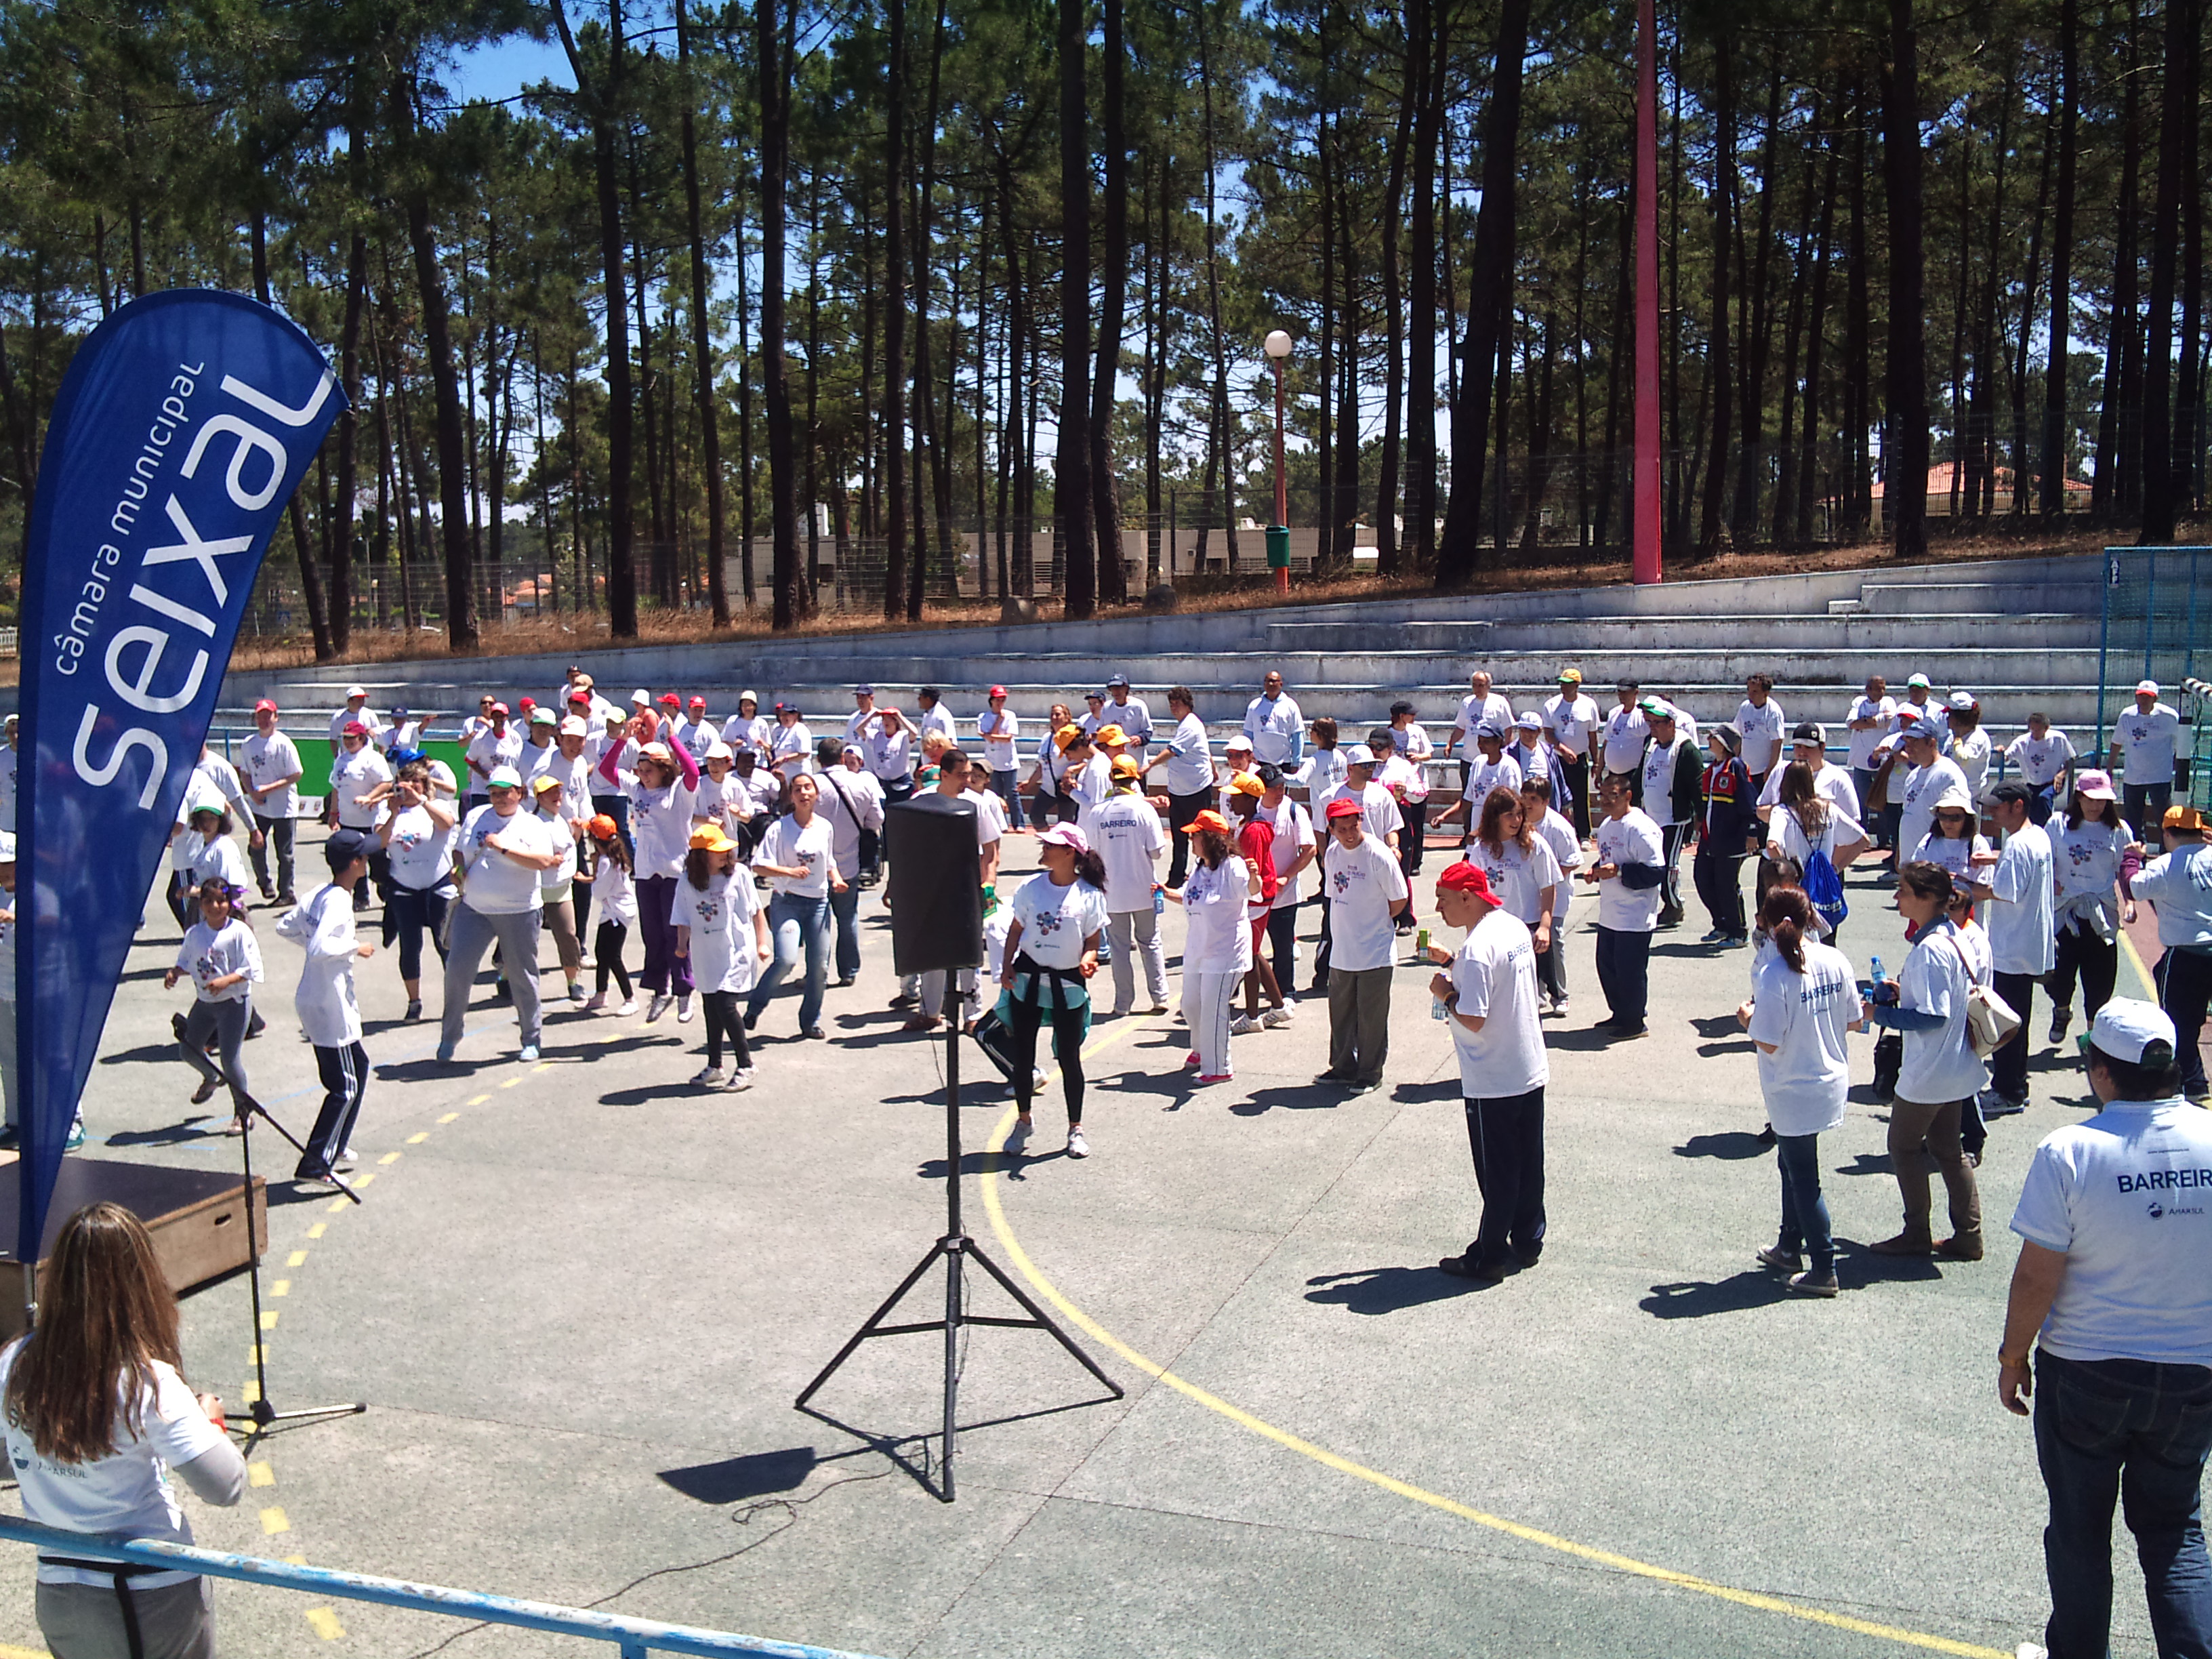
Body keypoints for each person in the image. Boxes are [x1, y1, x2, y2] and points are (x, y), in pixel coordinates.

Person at [1998, 998, 2212, 1659]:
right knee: (2176, 1531)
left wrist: (2013, 1357)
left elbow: (2038, 1277)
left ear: (2101, 1070)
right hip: (2192, 1376)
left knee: (2080, 1530)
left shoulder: (2069, 1151)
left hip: (2085, 1372)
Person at [0, 1202, 247, 1659]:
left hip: (62, 1589)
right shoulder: (145, 1381)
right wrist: (211, 1421)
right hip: (152, 1591)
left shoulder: (16, 1362)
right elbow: (225, 1485)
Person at [1740, 884, 1865, 1298]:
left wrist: (1748, 1019)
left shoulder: (1775, 974)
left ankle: (1824, 1266)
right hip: (1829, 1080)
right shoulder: (1835, 959)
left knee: (1804, 1177)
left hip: (1793, 1088)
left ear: (1774, 924)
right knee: (1792, 1167)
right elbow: (1853, 1020)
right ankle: (1789, 1246)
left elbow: (1770, 1040)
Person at [1428, 862, 1548, 1282]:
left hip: (1492, 1077)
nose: (1438, 908)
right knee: (1528, 1161)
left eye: (1443, 899)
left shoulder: (1478, 950)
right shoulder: (1512, 927)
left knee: (1497, 1171)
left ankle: (1488, 1254)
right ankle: (1529, 1238)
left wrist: (1445, 990)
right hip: (1527, 1066)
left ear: (1467, 897)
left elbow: (1473, 1017)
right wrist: (1455, 961)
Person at [1866, 861, 1988, 1259]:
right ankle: (1969, 1235)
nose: (1897, 896)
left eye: (1903, 890)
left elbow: (1931, 1017)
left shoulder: (1930, 950)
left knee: (1902, 1147)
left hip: (1929, 1071)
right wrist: (1906, 991)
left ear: (1927, 898)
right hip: (1955, 1067)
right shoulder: (1952, 936)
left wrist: (1877, 1014)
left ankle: (1917, 1231)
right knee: (1949, 1150)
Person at [437, 768, 562, 1065]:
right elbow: (460, 850)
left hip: (519, 910)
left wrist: (504, 848)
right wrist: (458, 868)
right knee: (457, 972)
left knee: (523, 977)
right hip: (475, 908)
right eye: (495, 792)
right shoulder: (476, 816)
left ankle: (531, 1038)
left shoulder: (532, 825)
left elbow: (543, 861)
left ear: (519, 793)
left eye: (506, 792)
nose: (500, 798)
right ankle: (450, 1036)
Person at [998, 824, 1110, 1158]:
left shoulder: (1089, 895)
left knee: (1070, 1057)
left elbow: (1092, 941)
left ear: (1070, 853)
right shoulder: (1031, 888)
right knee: (1023, 1055)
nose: (1045, 849)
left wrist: (1089, 960)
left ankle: (1075, 1128)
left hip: (1067, 984)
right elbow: (1016, 931)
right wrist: (1006, 966)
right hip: (1029, 979)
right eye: (1045, 843)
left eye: (1053, 845)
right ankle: (1024, 1120)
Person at [279, 828, 382, 1179]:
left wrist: (312, 939)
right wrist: (356, 947)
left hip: (321, 996)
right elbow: (320, 948)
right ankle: (315, 1163)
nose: (367, 862)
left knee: (360, 1065)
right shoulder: (338, 900)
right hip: (329, 1001)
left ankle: (335, 1145)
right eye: (364, 857)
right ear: (355, 863)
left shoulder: (319, 894)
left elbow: (286, 927)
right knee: (345, 1086)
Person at [889, 751, 1006, 1029]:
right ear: (944, 775)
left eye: (969, 774)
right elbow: (907, 850)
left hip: (968, 888)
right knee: (933, 950)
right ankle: (930, 1012)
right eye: (961, 775)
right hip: (931, 888)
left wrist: (988, 883)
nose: (968, 780)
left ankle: (972, 1014)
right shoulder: (921, 803)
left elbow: (990, 849)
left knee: (969, 953)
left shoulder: (977, 803)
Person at [597, 724, 703, 1023]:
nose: (643, 775)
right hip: (645, 872)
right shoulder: (637, 790)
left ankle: (684, 992)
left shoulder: (679, 792)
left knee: (675, 934)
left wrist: (671, 739)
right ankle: (660, 990)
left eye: (649, 769)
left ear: (664, 768)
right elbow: (607, 771)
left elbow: (693, 772)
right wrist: (622, 740)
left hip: (673, 871)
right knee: (652, 935)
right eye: (640, 769)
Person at [1973, 780, 2057, 1114]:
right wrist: (1996, 858)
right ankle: (2016, 1084)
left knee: (2005, 1023)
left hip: (2010, 948)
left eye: (1998, 806)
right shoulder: (2038, 837)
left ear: (2017, 805)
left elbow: (2004, 891)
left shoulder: (2018, 845)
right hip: (2029, 944)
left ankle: (2008, 1090)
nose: (1992, 812)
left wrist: (1963, 886)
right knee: (2017, 1019)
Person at [1315, 794, 1409, 1094]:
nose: (1348, 834)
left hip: (1374, 950)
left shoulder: (1378, 855)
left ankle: (1370, 1071)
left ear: (1361, 822)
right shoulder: (1331, 854)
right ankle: (1343, 1066)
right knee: (1341, 1012)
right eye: (1341, 830)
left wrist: (1376, 923)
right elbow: (1334, 895)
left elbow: (1399, 899)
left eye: (1352, 827)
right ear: (1331, 829)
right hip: (1342, 949)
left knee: (1371, 1016)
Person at [745, 773, 846, 1039]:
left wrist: (836, 879)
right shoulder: (779, 828)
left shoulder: (825, 827)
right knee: (786, 960)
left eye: (808, 788)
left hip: (819, 903)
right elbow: (758, 865)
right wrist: (789, 873)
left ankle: (810, 1021)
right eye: (798, 789)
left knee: (820, 967)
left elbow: (829, 862)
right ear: (791, 796)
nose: (803, 793)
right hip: (787, 900)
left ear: (816, 794)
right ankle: (755, 1007)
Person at [673, 824, 771, 1089]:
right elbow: (682, 917)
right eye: (717, 852)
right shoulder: (686, 880)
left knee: (727, 1006)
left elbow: (756, 911)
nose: (725, 855)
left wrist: (762, 943)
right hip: (706, 952)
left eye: (726, 851)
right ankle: (714, 1065)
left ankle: (746, 1065)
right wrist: (682, 946)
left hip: (737, 949)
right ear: (700, 856)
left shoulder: (739, 873)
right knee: (711, 1006)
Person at [2048, 771, 2139, 1048]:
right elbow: (2044, 857)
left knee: (2100, 979)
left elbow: (2126, 869)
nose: (2096, 806)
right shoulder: (2058, 824)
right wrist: (2051, 879)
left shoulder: (2119, 829)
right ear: (2079, 797)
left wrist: (2131, 901)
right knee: (2059, 974)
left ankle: (2093, 1036)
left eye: (2102, 801)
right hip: (2065, 910)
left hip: (2102, 911)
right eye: (2090, 799)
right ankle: (2061, 1010)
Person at [2131, 804, 2212, 1103]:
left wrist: (2131, 859)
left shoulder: (2166, 864)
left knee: (2178, 1022)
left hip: (2186, 952)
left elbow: (2135, 888)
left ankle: (2192, 1084)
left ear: (2167, 833)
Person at [165, 877, 261, 1132]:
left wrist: (225, 982)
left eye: (221, 901)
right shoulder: (195, 934)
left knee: (230, 1060)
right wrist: (175, 973)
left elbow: (251, 969)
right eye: (208, 901)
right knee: (188, 1051)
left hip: (234, 1003)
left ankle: (243, 1113)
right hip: (205, 1003)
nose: (215, 906)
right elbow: (186, 962)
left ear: (230, 904)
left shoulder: (239, 933)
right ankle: (211, 1076)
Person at [1166, 809, 1251, 1084]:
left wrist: (1256, 877)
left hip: (1225, 952)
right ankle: (1201, 1050)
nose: (1191, 841)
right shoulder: (1200, 867)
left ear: (1211, 839)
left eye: (1196, 836)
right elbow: (1190, 897)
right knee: (1191, 1005)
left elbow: (1252, 890)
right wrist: (1166, 893)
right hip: (1198, 949)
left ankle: (1220, 1067)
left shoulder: (1234, 867)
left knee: (1214, 1009)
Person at [1584, 773, 1664, 1038]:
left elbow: (1655, 872)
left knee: (1630, 970)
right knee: (1607, 966)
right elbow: (1609, 860)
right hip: (1610, 912)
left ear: (1628, 796)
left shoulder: (1641, 828)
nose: (1605, 801)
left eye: (1612, 795)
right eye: (1602, 795)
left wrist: (1618, 872)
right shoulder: (1607, 825)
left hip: (1635, 914)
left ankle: (1635, 1021)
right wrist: (1595, 871)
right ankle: (1620, 1013)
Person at [1463, 787, 1563, 998]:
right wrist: (1472, 933)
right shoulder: (1482, 850)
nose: (1516, 820)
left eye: (1519, 814)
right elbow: (1475, 895)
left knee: (1526, 995)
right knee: (1499, 993)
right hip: (1495, 930)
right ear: (1495, 817)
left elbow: (1548, 887)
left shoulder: (1534, 845)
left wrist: (1545, 927)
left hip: (1528, 927)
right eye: (1509, 815)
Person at [1093, 756, 1169, 1016]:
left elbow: (1089, 852)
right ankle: (1159, 996)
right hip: (1143, 888)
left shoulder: (1098, 811)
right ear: (1135, 779)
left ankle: (1122, 1003)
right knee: (1150, 942)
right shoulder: (1143, 809)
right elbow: (1157, 851)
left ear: (1112, 779)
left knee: (1119, 948)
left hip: (1112, 892)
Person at [1763, 760, 1872, 939]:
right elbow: (1863, 840)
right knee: (1827, 938)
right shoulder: (1828, 808)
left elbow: (1772, 845)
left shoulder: (1782, 812)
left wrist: (1786, 877)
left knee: (1797, 940)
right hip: (1823, 883)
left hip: (1799, 884)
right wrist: (1835, 869)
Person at [811, 735, 883, 987]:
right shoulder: (862, 783)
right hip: (849, 861)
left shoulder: (811, 786)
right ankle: (849, 970)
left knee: (817, 922)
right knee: (847, 917)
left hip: (815, 865)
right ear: (843, 757)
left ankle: (817, 969)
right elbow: (876, 820)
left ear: (818, 760)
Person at [1225, 773, 1290, 1031]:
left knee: (1249, 956)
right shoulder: (1248, 824)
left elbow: (1248, 868)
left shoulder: (1255, 829)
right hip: (1257, 897)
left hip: (1256, 899)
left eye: (1236, 796)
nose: (1230, 800)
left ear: (1250, 799)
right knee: (1253, 952)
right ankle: (1278, 1005)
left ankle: (1252, 1016)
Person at [1258, 764, 1317, 1000]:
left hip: (1284, 895)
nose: (1279, 791)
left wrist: (1287, 876)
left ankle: (1285, 994)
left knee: (1283, 948)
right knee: (1246, 946)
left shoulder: (1295, 812)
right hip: (1254, 894)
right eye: (1274, 788)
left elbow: (1309, 849)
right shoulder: (1250, 810)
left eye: (1282, 786)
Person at [1639, 701, 1700, 926]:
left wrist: (1699, 820)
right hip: (1651, 816)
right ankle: (1657, 902)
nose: (1652, 727)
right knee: (1652, 863)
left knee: (1669, 864)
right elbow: (1641, 775)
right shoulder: (1651, 745)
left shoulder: (1685, 749)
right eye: (1650, 723)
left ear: (1671, 724)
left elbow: (1697, 787)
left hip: (1674, 818)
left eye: (1657, 723)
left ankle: (1674, 905)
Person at [1695, 724, 1757, 945]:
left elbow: (1749, 802)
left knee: (1726, 885)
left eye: (1714, 738)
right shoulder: (1711, 770)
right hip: (1710, 840)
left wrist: (1751, 833)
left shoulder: (1736, 767)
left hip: (1731, 840)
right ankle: (1720, 923)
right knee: (1703, 880)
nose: (1709, 740)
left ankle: (1738, 931)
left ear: (1724, 744)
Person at [239, 700, 303, 904]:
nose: (264, 720)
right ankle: (264, 883)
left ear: (276, 717)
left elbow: (296, 774)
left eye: (268, 716)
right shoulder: (249, 744)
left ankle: (287, 892)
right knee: (256, 846)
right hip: (260, 806)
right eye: (260, 716)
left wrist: (269, 788)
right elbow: (245, 773)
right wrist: (252, 793)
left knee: (284, 853)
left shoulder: (284, 744)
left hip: (284, 807)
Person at [531, 773, 586, 1006]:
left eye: (558, 791)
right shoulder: (534, 823)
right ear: (539, 798)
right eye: (550, 793)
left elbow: (569, 846)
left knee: (568, 936)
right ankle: (508, 975)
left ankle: (573, 982)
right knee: (525, 939)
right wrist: (547, 860)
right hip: (538, 889)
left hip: (562, 888)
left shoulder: (560, 819)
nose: (557, 796)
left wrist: (578, 832)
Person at [327, 721, 394, 913]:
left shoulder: (372, 758)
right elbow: (336, 788)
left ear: (362, 738)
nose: (348, 742)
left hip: (371, 820)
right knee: (354, 862)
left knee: (378, 862)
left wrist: (369, 797)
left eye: (352, 738)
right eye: (345, 738)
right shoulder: (341, 760)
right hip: (348, 820)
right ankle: (361, 897)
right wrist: (333, 813)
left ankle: (386, 892)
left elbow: (386, 783)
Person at [1893, 716, 1971, 874]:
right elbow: (1908, 816)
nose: (1908, 749)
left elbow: (1959, 819)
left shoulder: (1948, 774)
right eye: (1907, 743)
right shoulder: (1913, 776)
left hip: (1933, 864)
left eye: (1915, 743)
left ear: (1932, 743)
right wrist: (1900, 854)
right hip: (1911, 863)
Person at [1160, 687, 1216, 888]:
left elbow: (1173, 751)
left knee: (1202, 835)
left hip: (1196, 790)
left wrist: (1149, 766)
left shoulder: (1190, 725)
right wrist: (1213, 767)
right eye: (1171, 704)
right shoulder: (1184, 725)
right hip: (1179, 791)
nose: (1174, 708)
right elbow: (1204, 750)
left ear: (1187, 705)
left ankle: (1209, 872)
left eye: (1178, 704)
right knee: (1179, 836)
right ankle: (1177, 876)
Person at [581, 818, 638, 1015]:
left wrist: (595, 868)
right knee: (601, 952)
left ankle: (630, 999)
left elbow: (598, 892)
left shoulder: (606, 862)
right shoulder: (615, 856)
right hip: (612, 911)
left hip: (618, 912)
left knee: (613, 956)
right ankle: (600, 994)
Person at [2112, 678, 2184, 832]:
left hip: (2160, 777)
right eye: (2140, 696)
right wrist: (2109, 770)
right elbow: (2116, 742)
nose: (2143, 700)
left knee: (2164, 819)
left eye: (2147, 697)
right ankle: (2136, 854)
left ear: (2155, 698)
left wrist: (2178, 769)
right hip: (2133, 778)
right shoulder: (2126, 715)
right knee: (2133, 821)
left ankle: (2166, 852)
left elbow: (2181, 744)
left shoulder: (2170, 716)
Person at [1756, 723, 1860, 824]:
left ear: (1822, 748)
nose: (1802, 752)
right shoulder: (1780, 771)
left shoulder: (1838, 778)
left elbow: (1853, 821)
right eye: (1798, 746)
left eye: (1809, 747)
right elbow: (1760, 811)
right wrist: (1786, 811)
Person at [1541, 668, 1600, 837]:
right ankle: (1558, 834)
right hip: (1557, 758)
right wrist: (1563, 750)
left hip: (1580, 757)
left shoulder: (1588, 705)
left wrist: (1596, 762)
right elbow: (1549, 733)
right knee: (1556, 795)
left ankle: (1583, 834)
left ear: (1577, 685)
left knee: (1581, 797)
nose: (1564, 687)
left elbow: (1592, 735)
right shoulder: (1551, 705)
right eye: (1562, 683)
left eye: (1568, 684)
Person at [1845, 677, 1899, 845]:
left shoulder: (1889, 702)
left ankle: (1884, 839)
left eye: (1883, 688)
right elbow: (1852, 723)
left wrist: (1866, 722)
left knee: (1882, 801)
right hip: (1861, 760)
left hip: (1881, 761)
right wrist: (1876, 721)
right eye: (1876, 689)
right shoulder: (1859, 702)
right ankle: (1862, 837)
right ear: (1868, 689)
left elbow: (1890, 720)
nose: (1880, 692)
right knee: (1861, 801)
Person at [1446, 670, 1517, 787]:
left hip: (1491, 761)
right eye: (1474, 685)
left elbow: (1508, 729)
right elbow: (1461, 728)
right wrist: (1450, 744)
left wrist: (1506, 751)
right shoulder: (1467, 703)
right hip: (1469, 759)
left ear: (1488, 686)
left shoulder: (1499, 702)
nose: (1477, 689)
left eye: (1481, 685)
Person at [2005, 712, 2078, 826]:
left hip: (2052, 781)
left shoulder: (2059, 739)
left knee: (2044, 798)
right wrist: (2001, 752)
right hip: (2031, 782)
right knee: (2029, 805)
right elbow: (2007, 756)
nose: (2035, 733)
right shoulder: (2022, 742)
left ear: (2046, 728)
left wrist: (2062, 774)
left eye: (2038, 730)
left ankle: (2047, 828)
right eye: (2032, 729)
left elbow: (2071, 758)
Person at [464, 702, 521, 809]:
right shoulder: (481, 738)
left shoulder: (514, 737)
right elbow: (470, 760)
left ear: (507, 718)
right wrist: (483, 773)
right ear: (492, 717)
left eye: (502, 716)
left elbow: (519, 760)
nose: (499, 719)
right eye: (496, 716)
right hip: (482, 788)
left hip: (504, 787)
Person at [1244, 670, 1305, 769]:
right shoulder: (1254, 706)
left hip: (1284, 762)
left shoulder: (1291, 705)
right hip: (1259, 761)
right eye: (1267, 681)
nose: (1270, 684)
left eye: (1274, 681)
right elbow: (1248, 734)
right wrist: (1248, 757)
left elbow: (1298, 735)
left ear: (1281, 684)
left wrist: (1296, 762)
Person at [977, 686, 1021, 819]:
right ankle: (1000, 821)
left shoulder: (1011, 715)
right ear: (991, 700)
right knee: (996, 793)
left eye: (1003, 700)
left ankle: (1018, 822)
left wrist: (990, 736)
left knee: (1012, 792)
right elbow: (990, 739)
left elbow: (1008, 738)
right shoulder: (984, 717)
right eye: (997, 700)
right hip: (992, 761)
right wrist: (999, 721)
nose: (1000, 703)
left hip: (1008, 760)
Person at [1737, 674, 1786, 787]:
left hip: (1764, 771)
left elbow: (1777, 743)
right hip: (1746, 770)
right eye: (1749, 690)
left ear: (1766, 693)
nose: (1750, 695)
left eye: (1755, 692)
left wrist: (1770, 769)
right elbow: (1738, 734)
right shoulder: (1744, 707)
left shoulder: (1773, 712)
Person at [1600, 679, 1650, 792]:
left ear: (1636, 692)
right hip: (1613, 773)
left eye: (1626, 692)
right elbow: (1607, 742)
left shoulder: (1642, 715)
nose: (1622, 695)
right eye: (1619, 691)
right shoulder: (1614, 713)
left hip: (1633, 774)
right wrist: (1599, 770)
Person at [1946, 691, 1992, 801]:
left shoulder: (1978, 738)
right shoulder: (1952, 736)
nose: (1947, 718)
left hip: (1970, 797)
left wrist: (1957, 741)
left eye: (1950, 715)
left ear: (1959, 719)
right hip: (1952, 793)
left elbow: (1963, 758)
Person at [1104, 673, 1156, 758]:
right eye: (1113, 689)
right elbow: (1102, 730)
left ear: (1126, 689)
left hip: (1135, 760)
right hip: (1114, 761)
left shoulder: (1138, 706)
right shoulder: (1106, 708)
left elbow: (1148, 731)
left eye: (1119, 688)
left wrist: (1140, 738)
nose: (1116, 692)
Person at [327, 684, 383, 756]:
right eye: (358, 699)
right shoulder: (339, 717)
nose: (362, 702)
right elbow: (333, 739)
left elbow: (380, 737)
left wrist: (382, 755)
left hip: (367, 756)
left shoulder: (370, 714)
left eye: (363, 699)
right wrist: (337, 757)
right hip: (347, 756)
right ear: (350, 701)